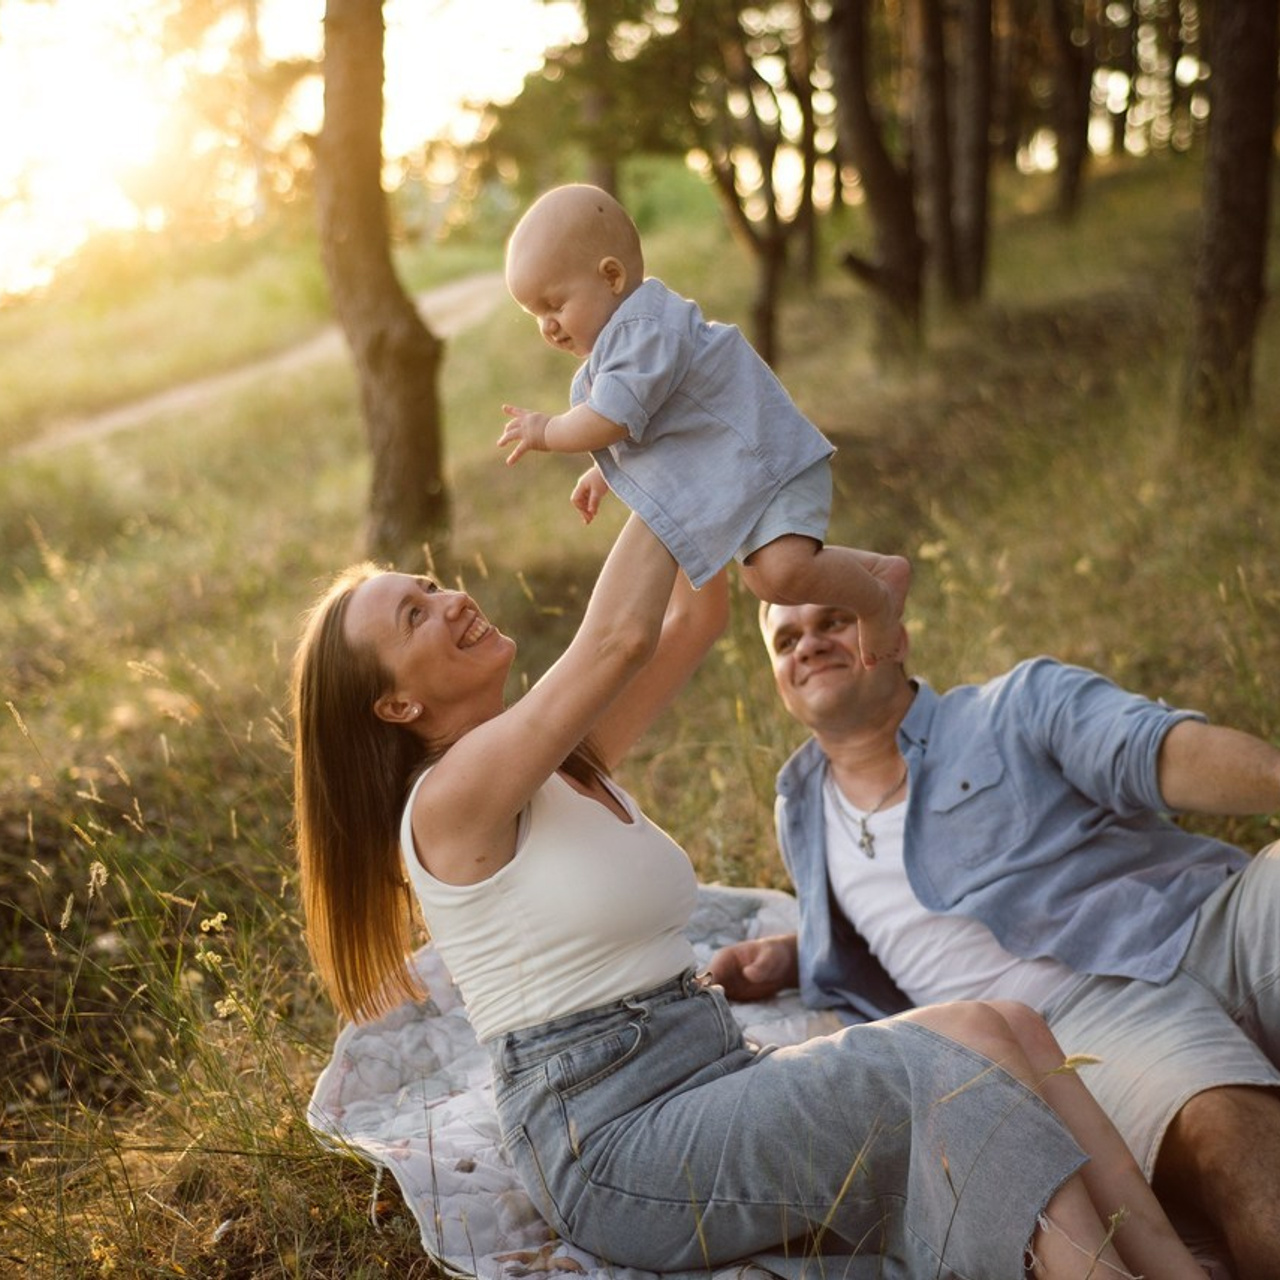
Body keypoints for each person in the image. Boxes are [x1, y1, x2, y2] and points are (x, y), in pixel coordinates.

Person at [290, 518, 1210, 1279]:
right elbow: (615, 638)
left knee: (999, 1026)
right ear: (396, 707)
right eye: (416, 613)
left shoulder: (556, 759)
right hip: (612, 1141)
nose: (452, 598)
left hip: (704, 1065)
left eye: (433, 583)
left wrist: (681, 464)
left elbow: (692, 615)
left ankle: (1170, 1267)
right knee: (940, 1072)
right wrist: (645, 436)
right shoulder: (450, 801)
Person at [710, 599, 1280, 1280]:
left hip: (1212, 915)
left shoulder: (1013, 706)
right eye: (786, 640)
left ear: (895, 637)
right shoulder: (800, 813)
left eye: (833, 620)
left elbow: (1156, 751)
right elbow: (898, 924)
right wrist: (796, 952)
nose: (808, 645)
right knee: (1229, 1135)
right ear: (777, 676)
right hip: (1084, 1022)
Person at [495, 182, 910, 669]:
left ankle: (876, 603)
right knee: (767, 582)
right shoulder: (625, 346)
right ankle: (880, 570)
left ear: (611, 276)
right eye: (536, 316)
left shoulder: (642, 331)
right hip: (745, 473)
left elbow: (608, 419)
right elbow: (645, 426)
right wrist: (604, 474)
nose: (548, 325)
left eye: (555, 304)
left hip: (767, 464)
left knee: (782, 575)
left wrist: (546, 431)